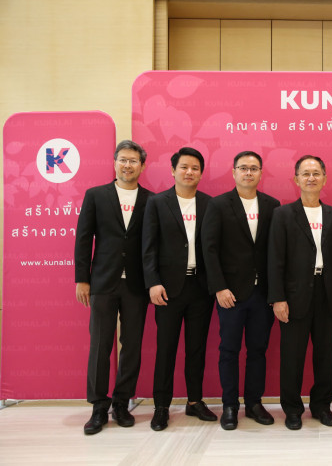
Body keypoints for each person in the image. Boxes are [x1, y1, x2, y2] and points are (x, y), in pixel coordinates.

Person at [75, 140, 153, 435]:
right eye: (123, 160)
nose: (127, 165)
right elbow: (84, 238)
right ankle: (98, 406)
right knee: (100, 345)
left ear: (142, 166)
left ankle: (122, 403)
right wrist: (82, 279)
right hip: (103, 282)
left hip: (137, 284)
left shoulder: (152, 200)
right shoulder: (96, 195)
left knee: (131, 345)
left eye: (133, 161)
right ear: (114, 162)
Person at [268, 155, 332, 430]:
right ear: (296, 179)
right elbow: (275, 259)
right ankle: (292, 409)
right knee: (292, 356)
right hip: (293, 297)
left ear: (324, 179)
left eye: (316, 173)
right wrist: (278, 298)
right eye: (305, 173)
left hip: (326, 294)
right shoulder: (282, 215)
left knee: (325, 355)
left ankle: (322, 406)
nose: (311, 178)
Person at [201, 150, 280, 430]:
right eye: (243, 168)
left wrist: (276, 292)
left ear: (261, 173)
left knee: (258, 350)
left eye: (254, 168)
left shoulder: (272, 205)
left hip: (263, 293)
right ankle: (230, 405)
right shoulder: (219, 204)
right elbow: (209, 249)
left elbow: (276, 251)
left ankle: (254, 403)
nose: (248, 172)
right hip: (231, 294)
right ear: (234, 172)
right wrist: (219, 288)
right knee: (229, 350)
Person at [142, 147, 216, 431]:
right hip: (167, 289)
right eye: (184, 167)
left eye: (195, 168)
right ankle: (161, 406)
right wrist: (152, 282)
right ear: (173, 170)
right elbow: (148, 247)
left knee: (197, 348)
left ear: (201, 173)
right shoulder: (157, 203)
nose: (189, 172)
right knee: (166, 349)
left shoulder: (210, 204)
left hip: (200, 287)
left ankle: (194, 401)